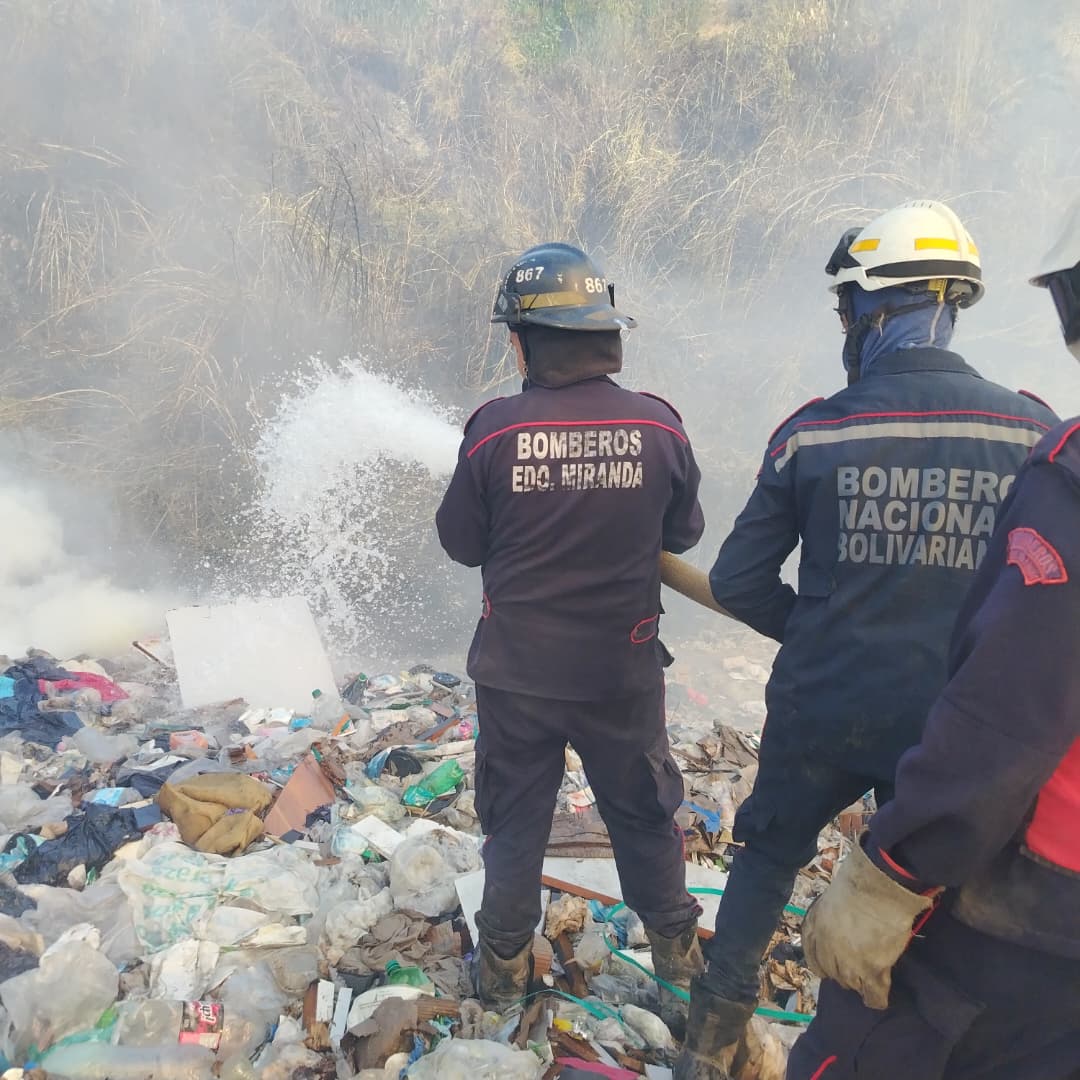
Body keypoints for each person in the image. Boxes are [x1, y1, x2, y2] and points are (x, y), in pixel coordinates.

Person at [678, 201, 1059, 1077]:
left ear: (875, 307)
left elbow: (737, 582)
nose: (846, 325)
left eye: (848, 306)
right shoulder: (1033, 433)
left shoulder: (813, 431)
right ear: (949, 303)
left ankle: (706, 1051)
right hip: (950, 726)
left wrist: (815, 630)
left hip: (822, 706)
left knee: (766, 860)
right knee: (930, 890)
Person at [786, 195, 1080, 1079]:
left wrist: (895, 872)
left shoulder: (813, 432)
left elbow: (1008, 715)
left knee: (866, 1025)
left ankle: (712, 1030)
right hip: (935, 751)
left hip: (1025, 891)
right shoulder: (1026, 424)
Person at [436, 242, 706, 1023]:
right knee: (644, 817)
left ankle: (504, 979)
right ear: (602, 334)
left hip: (517, 677)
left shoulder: (491, 432)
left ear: (525, 339)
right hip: (620, 674)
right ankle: (682, 979)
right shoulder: (659, 426)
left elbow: (462, 545)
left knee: (516, 825)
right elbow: (682, 535)